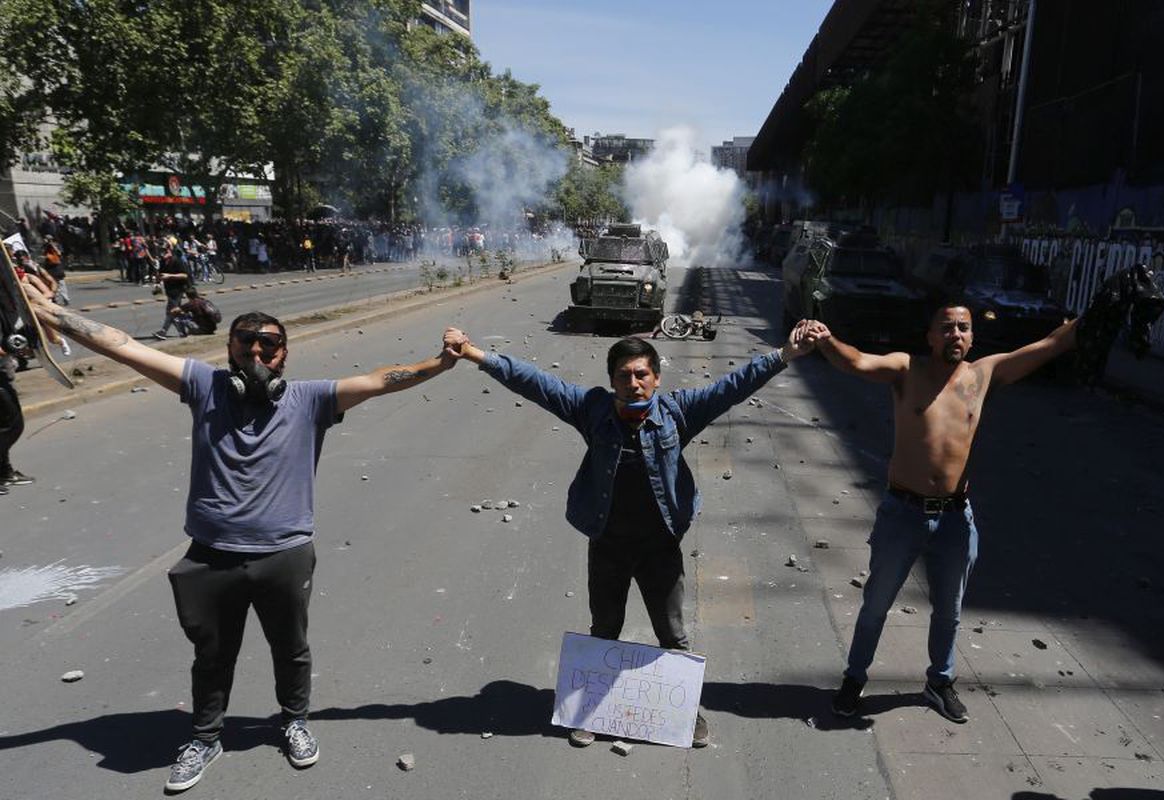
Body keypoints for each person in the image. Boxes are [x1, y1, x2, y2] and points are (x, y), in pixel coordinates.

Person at [23, 273, 457, 791]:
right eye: (244, 343)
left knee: (290, 648)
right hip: (211, 557)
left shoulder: (311, 399)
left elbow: (383, 378)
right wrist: (50, 313)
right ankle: (205, 738)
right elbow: (125, 347)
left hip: (284, 555)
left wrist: (441, 362)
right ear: (227, 351)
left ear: (283, 355)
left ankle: (294, 721)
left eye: (268, 344)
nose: (256, 351)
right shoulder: (203, 387)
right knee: (211, 654)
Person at [443, 326, 813, 748]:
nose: (633, 383)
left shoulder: (678, 412)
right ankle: (592, 710)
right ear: (612, 381)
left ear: (656, 378)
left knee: (672, 633)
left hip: (660, 547)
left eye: (641, 374)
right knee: (604, 627)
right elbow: (534, 382)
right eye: (623, 376)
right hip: (609, 545)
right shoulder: (593, 411)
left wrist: (784, 354)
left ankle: (683, 714)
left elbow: (733, 386)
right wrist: (473, 353)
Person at [804, 304, 1078, 724]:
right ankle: (854, 678)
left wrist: (1091, 316)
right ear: (930, 336)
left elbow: (1046, 346)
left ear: (972, 338)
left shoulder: (982, 375)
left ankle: (940, 682)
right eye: (946, 327)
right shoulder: (905, 368)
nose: (956, 334)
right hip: (903, 512)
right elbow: (856, 360)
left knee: (949, 610)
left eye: (963, 328)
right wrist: (825, 339)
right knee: (876, 604)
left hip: (955, 518)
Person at [0, 339, 35, 494]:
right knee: (11, 427)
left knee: (5, 427)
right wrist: (8, 349)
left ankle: (4, 472)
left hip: (4, 376)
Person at [153, 268, 193, 340]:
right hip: (170, 291)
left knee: (171, 312)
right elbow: (160, 274)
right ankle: (183, 331)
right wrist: (157, 284)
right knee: (175, 313)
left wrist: (169, 276)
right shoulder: (164, 262)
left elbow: (185, 275)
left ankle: (163, 332)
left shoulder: (177, 261)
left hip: (177, 291)